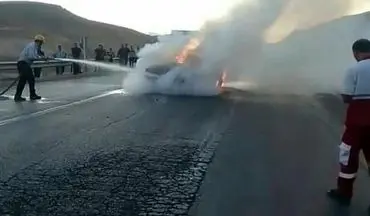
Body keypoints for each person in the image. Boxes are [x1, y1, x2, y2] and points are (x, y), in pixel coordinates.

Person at [327, 39, 370, 210]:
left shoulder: (353, 69)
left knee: (348, 158)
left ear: (356, 52)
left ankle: (344, 194)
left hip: (357, 123)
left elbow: (346, 96)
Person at [14, 35, 49, 102]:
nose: (41, 45)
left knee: (22, 80)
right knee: (31, 78)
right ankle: (32, 95)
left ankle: (18, 96)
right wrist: (42, 58)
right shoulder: (33, 46)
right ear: (39, 42)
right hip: (23, 64)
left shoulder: (34, 46)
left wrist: (42, 56)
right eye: (41, 43)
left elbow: (37, 54)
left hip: (23, 64)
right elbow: (31, 56)